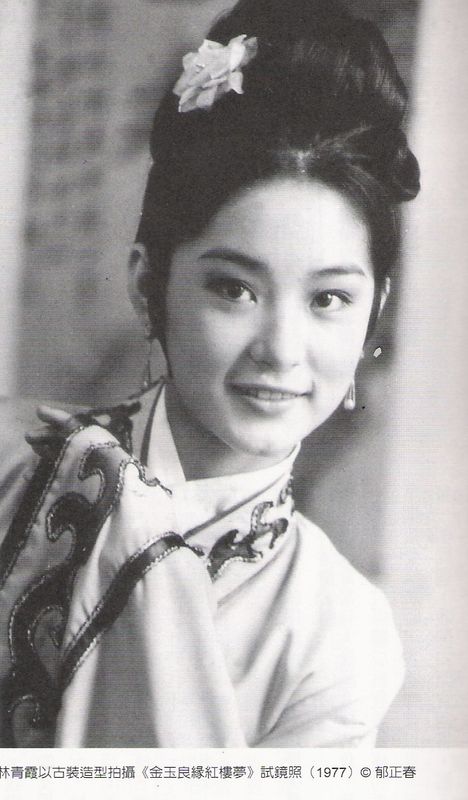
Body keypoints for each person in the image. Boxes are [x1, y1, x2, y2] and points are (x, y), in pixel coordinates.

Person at [0, 0, 420, 747]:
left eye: (328, 298)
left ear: (374, 313)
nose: (281, 349)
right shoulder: (10, 465)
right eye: (235, 288)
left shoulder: (339, 637)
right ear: (148, 283)